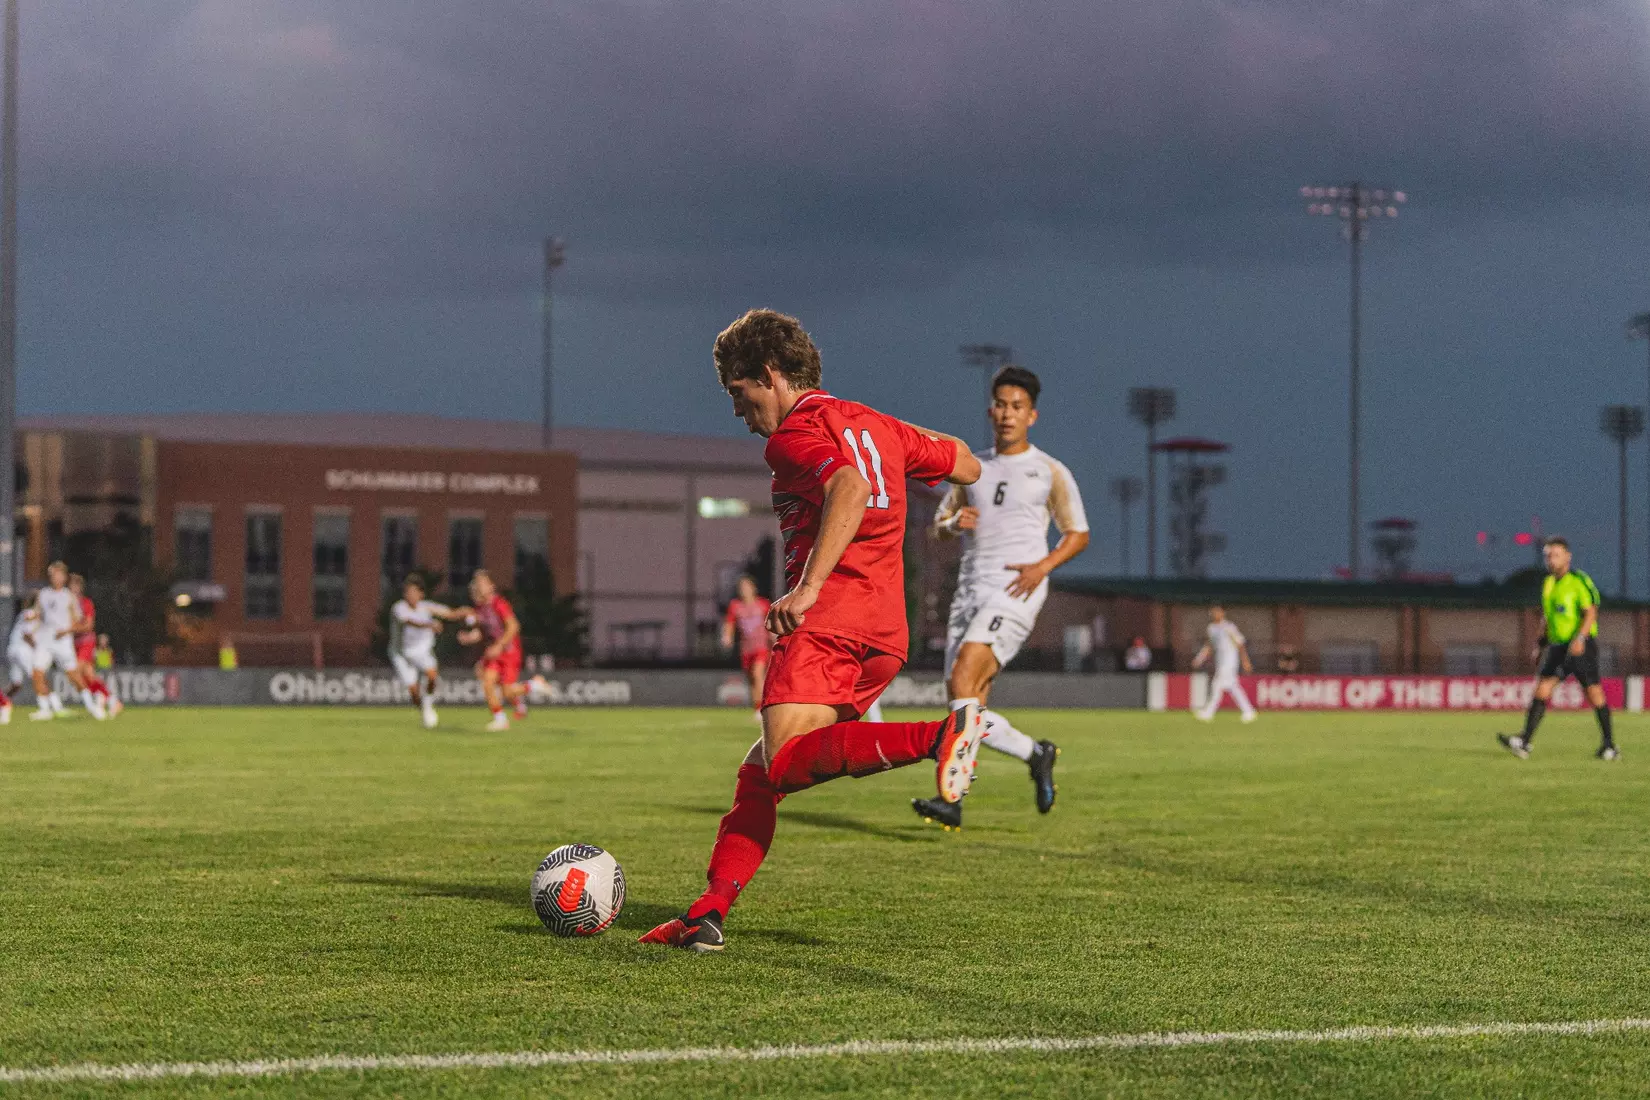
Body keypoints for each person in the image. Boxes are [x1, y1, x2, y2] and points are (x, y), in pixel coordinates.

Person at [640, 308, 983, 952]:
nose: (739, 414)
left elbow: (847, 489)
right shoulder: (877, 425)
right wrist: (904, 440)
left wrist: (808, 588)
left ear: (770, 375)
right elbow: (966, 463)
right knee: (763, 772)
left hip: (830, 622)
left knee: (789, 764)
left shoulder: (794, 434)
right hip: (886, 634)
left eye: (740, 396)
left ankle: (942, 734)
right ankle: (708, 913)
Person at [910, 364, 1090, 831]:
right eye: (1001, 405)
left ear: (1032, 415)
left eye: (1018, 407)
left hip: (1016, 589)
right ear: (990, 410)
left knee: (965, 676)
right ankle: (1036, 753)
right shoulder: (970, 467)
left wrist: (1042, 567)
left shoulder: (1049, 471)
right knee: (966, 702)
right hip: (969, 590)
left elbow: (1078, 533)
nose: (1008, 414)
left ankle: (950, 797)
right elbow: (940, 526)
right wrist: (953, 525)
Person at [1499, 536, 1616, 760]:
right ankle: (1524, 741)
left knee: (1593, 693)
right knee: (1542, 690)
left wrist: (1580, 638)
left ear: (1567, 557)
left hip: (1580, 645)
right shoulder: (1548, 583)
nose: (1551, 560)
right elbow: (1546, 617)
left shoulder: (1578, 581)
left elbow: (1591, 612)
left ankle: (1609, 745)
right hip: (1557, 647)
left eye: (1555, 555)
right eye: (1548, 556)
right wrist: (1539, 644)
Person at [455, 570, 527, 731]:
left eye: (483, 583)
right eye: (477, 583)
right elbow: (482, 633)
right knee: (487, 682)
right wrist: (468, 637)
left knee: (507, 691)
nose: (479, 586)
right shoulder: (481, 608)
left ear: (491, 586)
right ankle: (500, 720)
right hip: (495, 652)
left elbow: (514, 626)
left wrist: (499, 646)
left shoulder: (499, 604)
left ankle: (534, 685)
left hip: (509, 651)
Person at [32, 561, 103, 720]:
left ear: (63, 577)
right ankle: (45, 709)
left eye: (58, 574)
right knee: (36, 672)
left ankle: (91, 706)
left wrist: (67, 630)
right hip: (46, 640)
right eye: (53, 574)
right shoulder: (43, 594)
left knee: (73, 676)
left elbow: (77, 621)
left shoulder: (68, 597)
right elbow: (37, 615)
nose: (55, 577)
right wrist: (34, 627)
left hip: (63, 641)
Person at [389, 575, 449, 729]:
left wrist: (467, 612)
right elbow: (409, 621)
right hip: (401, 654)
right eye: (408, 592)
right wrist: (430, 624)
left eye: (414, 592)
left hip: (421, 650)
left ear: (421, 594)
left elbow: (449, 613)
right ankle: (423, 709)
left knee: (432, 675)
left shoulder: (426, 607)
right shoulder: (399, 608)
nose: (410, 595)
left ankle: (428, 704)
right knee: (414, 692)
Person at [1191, 606, 1256, 722]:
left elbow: (1240, 644)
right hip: (1220, 661)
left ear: (1223, 613)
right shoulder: (1211, 628)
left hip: (1230, 660)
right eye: (1214, 613)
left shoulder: (1229, 627)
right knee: (1232, 686)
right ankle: (1248, 711)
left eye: (1218, 612)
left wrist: (1245, 661)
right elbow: (1209, 646)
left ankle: (1209, 712)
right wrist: (1199, 658)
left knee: (1217, 684)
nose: (1216, 614)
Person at [68, 574, 120, 718]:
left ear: (80, 587)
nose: (72, 589)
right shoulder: (67, 605)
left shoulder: (85, 603)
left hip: (86, 642)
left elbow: (89, 625)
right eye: (70, 586)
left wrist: (70, 629)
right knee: (89, 676)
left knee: (75, 672)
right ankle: (110, 699)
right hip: (75, 644)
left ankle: (96, 703)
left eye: (74, 586)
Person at [721, 575, 772, 720]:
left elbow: (770, 623)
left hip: (761, 647)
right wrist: (727, 637)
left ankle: (763, 708)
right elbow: (729, 624)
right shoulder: (735, 606)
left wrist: (773, 636)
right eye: (742, 588)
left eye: (747, 587)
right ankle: (757, 707)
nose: (744, 590)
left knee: (758, 674)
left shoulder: (763, 604)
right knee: (751, 679)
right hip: (746, 649)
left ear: (753, 588)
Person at [3, 603, 37, 724]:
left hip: (12, 650)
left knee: (16, 684)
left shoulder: (26, 613)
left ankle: (3, 703)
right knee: (37, 675)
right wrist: (37, 647)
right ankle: (51, 706)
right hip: (21, 650)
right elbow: (26, 634)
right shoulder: (31, 613)